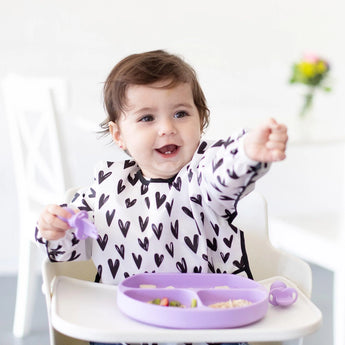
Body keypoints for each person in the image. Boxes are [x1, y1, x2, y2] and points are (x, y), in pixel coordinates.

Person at [35, 50, 288, 345]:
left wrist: (246, 152)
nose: (167, 128)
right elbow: (71, 249)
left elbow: (223, 173)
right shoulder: (106, 186)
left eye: (180, 113)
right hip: (125, 328)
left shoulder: (202, 177)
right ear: (119, 135)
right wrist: (55, 230)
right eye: (147, 118)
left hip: (209, 328)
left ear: (201, 119)